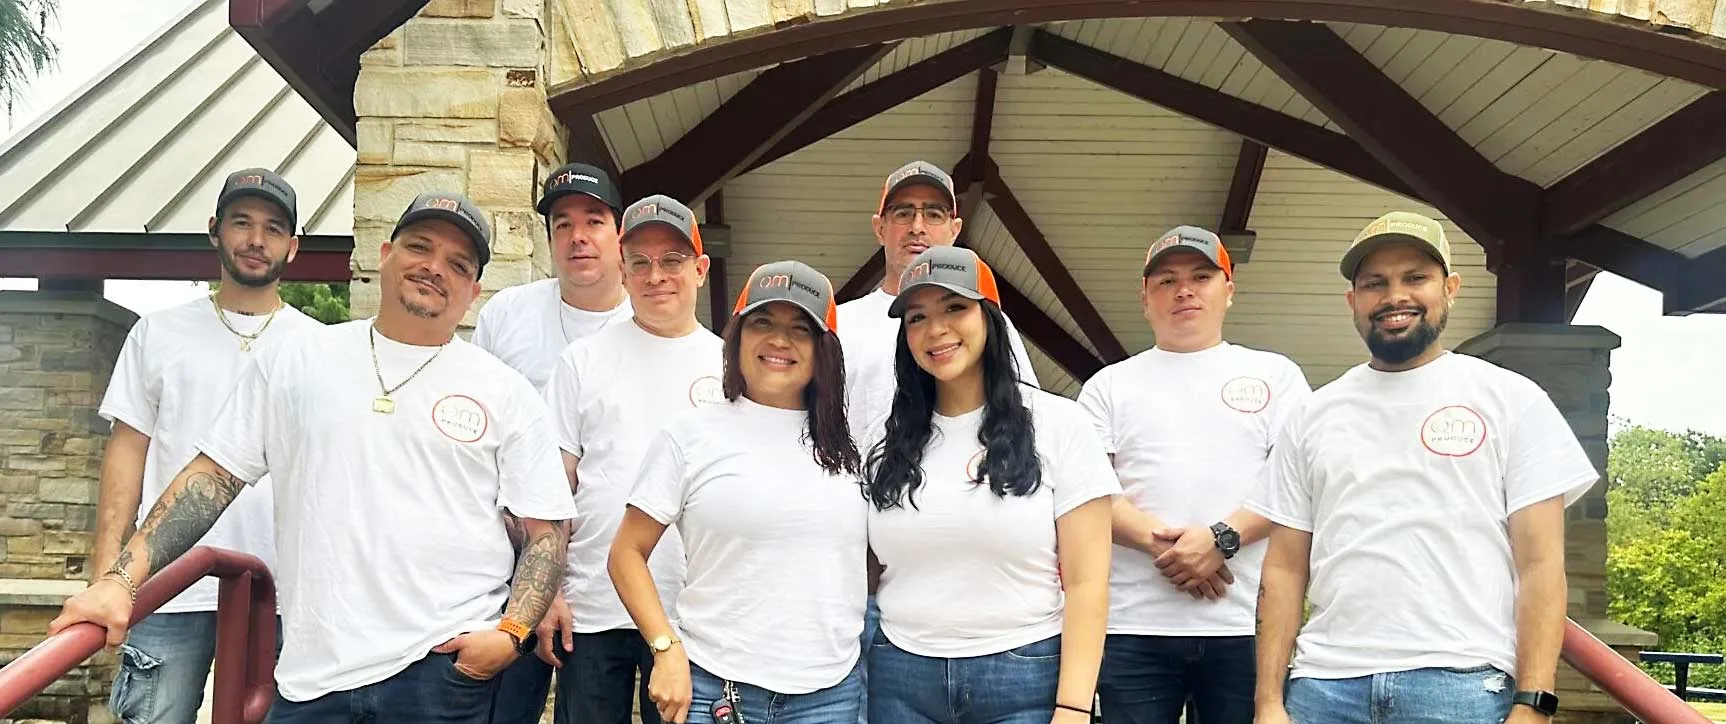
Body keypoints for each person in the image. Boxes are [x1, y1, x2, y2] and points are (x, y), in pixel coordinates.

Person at [51, 191, 578, 724]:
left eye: (458, 264)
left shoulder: (506, 392)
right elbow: (211, 479)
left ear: (474, 291)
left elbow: (547, 531)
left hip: (442, 673)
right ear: (385, 254)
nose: (435, 268)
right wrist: (120, 580)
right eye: (420, 247)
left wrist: (511, 634)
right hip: (311, 680)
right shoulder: (297, 360)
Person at [1249, 212, 1596, 724]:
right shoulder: (1311, 415)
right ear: (1352, 301)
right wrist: (1267, 702)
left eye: (1415, 278)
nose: (1395, 297)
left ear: (1450, 288)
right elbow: (1283, 567)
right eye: (1375, 283)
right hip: (1324, 687)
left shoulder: (1512, 400)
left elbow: (1541, 565)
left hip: (1463, 686)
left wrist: (1534, 703)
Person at [90, 168, 322, 724]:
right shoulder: (157, 333)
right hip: (165, 585)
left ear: (293, 247)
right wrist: (107, 567)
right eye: (242, 223)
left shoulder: (318, 346)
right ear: (215, 229)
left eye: (273, 228)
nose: (256, 240)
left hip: (281, 591)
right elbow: (127, 451)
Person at [862, 245, 1118, 724]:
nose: (936, 329)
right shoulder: (883, 438)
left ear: (991, 319)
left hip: (1023, 673)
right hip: (899, 674)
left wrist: (1073, 706)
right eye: (917, 317)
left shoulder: (1060, 424)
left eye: (955, 308)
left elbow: (1087, 582)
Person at [609, 260, 867, 724]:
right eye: (762, 323)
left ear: (824, 350)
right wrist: (665, 648)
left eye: (801, 329)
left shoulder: (855, 448)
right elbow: (626, 552)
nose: (779, 340)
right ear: (738, 337)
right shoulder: (689, 436)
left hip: (830, 696)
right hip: (715, 689)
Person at [1077, 226, 1310, 724]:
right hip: (1132, 626)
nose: (1184, 290)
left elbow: (1296, 484)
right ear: (1145, 298)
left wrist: (1222, 539)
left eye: (1201, 277)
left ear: (1229, 290)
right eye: (1167, 281)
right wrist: (1176, 551)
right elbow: (1090, 494)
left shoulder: (1278, 376)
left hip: (1248, 624)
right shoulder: (1107, 386)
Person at [835, 161, 1042, 722]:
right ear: (879, 227)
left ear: (955, 228)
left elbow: (1023, 429)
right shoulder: (842, 327)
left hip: (969, 581)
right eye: (903, 213)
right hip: (863, 575)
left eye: (932, 213)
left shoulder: (992, 326)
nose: (917, 226)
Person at [546, 194, 724, 724]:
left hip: (692, 609)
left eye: (672, 260)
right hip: (591, 606)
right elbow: (554, 488)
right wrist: (548, 593)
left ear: (700, 269)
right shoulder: (581, 360)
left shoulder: (729, 364)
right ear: (622, 272)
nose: (656, 276)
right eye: (640, 262)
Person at [474, 163, 633, 724]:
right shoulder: (507, 314)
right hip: (506, 565)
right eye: (562, 224)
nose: (577, 236)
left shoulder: (646, 324)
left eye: (593, 221)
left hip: (604, 575)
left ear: (619, 235)